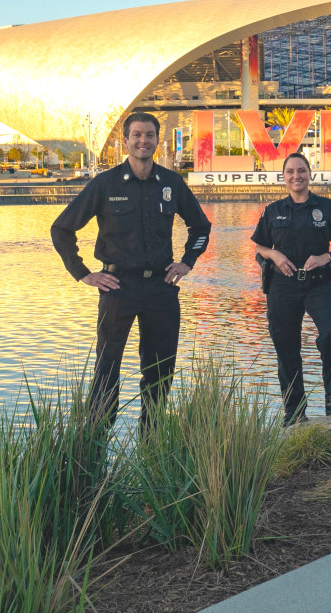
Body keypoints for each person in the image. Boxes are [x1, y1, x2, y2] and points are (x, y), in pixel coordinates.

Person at [51, 112, 211, 426]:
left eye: (149, 135)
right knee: (106, 366)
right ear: (125, 141)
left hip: (161, 289)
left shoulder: (171, 183)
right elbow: (61, 229)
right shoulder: (105, 183)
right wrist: (83, 273)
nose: (143, 141)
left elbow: (201, 227)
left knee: (160, 368)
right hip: (117, 288)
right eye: (136, 135)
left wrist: (186, 262)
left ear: (157, 141)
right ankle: (97, 436)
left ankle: (151, 436)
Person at [251, 152, 331, 425]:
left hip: (319, 284)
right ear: (283, 177)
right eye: (290, 171)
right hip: (282, 286)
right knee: (286, 348)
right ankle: (294, 412)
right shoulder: (273, 210)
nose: (296, 176)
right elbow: (259, 246)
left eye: (301, 170)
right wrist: (273, 256)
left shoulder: (327, 207)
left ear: (310, 174)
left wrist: (327, 257)